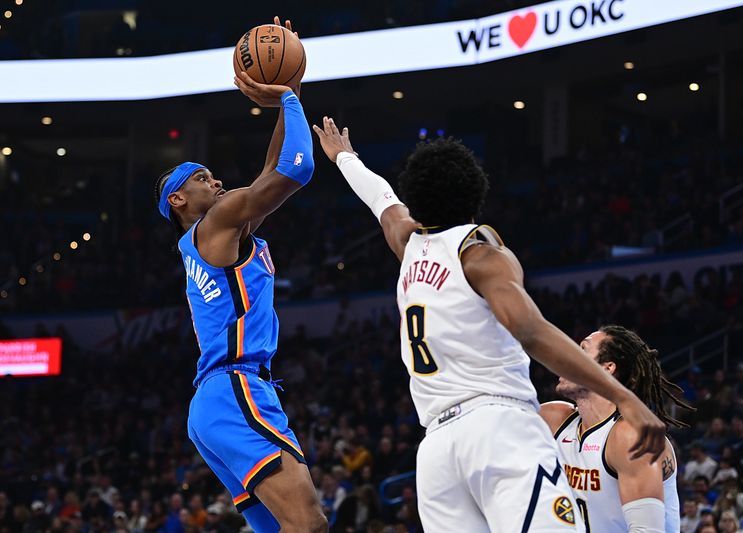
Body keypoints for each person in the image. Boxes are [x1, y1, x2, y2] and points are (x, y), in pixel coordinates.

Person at [313, 118, 665, 532]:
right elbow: (531, 331)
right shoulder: (480, 254)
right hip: (499, 429)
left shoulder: (406, 243)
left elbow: (381, 198)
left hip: (437, 452)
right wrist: (624, 397)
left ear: (417, 195)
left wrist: (344, 158)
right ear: (475, 192)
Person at [154, 17, 324, 533]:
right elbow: (297, 168)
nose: (219, 179)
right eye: (204, 178)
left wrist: (287, 89)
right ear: (179, 199)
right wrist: (291, 103)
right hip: (234, 388)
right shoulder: (216, 222)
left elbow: (270, 171)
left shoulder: (215, 233)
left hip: (216, 399)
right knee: (310, 523)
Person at [539, 326, 690, 532]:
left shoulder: (629, 437)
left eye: (582, 350)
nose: (567, 356)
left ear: (607, 368)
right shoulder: (554, 420)